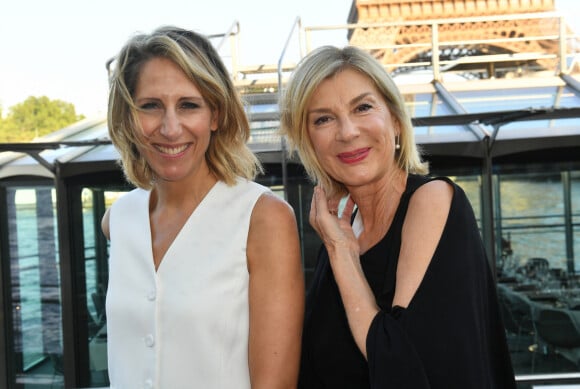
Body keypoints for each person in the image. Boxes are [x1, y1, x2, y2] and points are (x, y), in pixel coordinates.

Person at [279, 45, 516, 388]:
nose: (346, 132)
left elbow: (402, 366)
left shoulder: (432, 201)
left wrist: (341, 252)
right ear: (308, 142)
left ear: (395, 120)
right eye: (323, 119)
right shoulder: (341, 233)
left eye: (362, 107)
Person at [101, 26, 304, 389]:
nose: (170, 127)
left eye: (188, 105)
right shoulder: (117, 220)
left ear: (216, 115)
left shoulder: (263, 217)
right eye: (150, 106)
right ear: (129, 118)